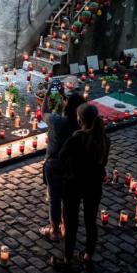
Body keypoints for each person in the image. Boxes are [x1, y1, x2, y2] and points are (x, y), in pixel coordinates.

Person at [52, 103, 110, 270]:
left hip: (74, 185)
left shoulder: (76, 138)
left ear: (80, 120)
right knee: (91, 222)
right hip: (94, 185)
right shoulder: (105, 140)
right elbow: (103, 162)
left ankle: (68, 259)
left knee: (71, 224)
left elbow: (61, 156)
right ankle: (87, 255)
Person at [40, 87, 85, 241]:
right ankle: (65, 226)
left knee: (54, 197)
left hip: (54, 164)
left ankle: (55, 231)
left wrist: (47, 94)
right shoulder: (82, 125)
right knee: (67, 197)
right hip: (74, 167)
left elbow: (43, 112)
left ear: (68, 105)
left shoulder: (58, 122)